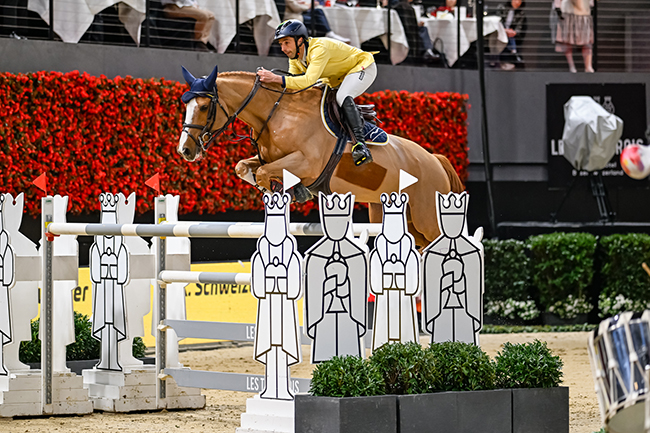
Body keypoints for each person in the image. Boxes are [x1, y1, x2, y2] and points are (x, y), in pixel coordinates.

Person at [257, 20, 375, 166]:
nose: (283, 48)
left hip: (362, 67)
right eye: (281, 44)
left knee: (342, 96)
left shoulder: (319, 49)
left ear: (300, 40)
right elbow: (294, 86)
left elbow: (307, 81)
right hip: (336, 77)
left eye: (286, 42)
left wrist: (275, 78)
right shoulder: (295, 57)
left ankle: (360, 145)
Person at [553, 0, 594, 73]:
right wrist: (557, 6)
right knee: (567, 40)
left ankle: (588, 66)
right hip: (568, 11)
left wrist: (591, 4)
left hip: (584, 11)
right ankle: (571, 66)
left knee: (587, 41)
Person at [284, 0, 350, 43]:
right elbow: (296, 8)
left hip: (300, 14)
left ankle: (329, 33)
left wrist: (300, 3)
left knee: (318, 11)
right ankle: (328, 35)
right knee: (317, 21)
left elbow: (295, 4)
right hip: (293, 17)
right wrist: (310, 5)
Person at [496, 0, 526, 70]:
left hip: (511, 34)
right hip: (501, 31)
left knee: (511, 38)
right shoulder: (502, 8)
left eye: (520, 1)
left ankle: (513, 53)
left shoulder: (521, 13)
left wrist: (513, 32)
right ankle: (514, 52)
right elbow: (497, 21)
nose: (517, 3)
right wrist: (504, 30)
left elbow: (519, 28)